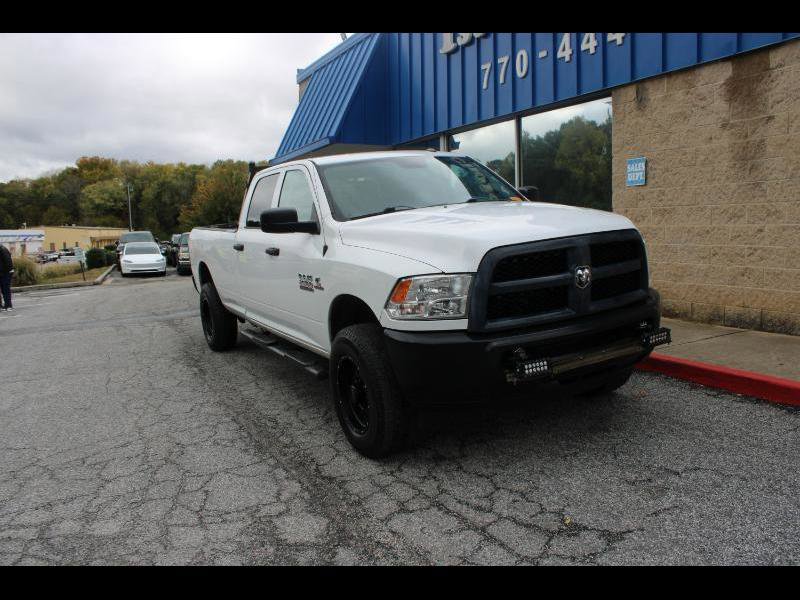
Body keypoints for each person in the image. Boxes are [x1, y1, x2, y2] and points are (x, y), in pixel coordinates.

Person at [0, 243, 13, 311]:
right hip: (2, 273)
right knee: (3, 290)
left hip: (5, 273)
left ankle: (8, 305)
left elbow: (8, 262)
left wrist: (9, 271)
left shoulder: (2, 249)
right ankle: (2, 306)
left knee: (5, 290)